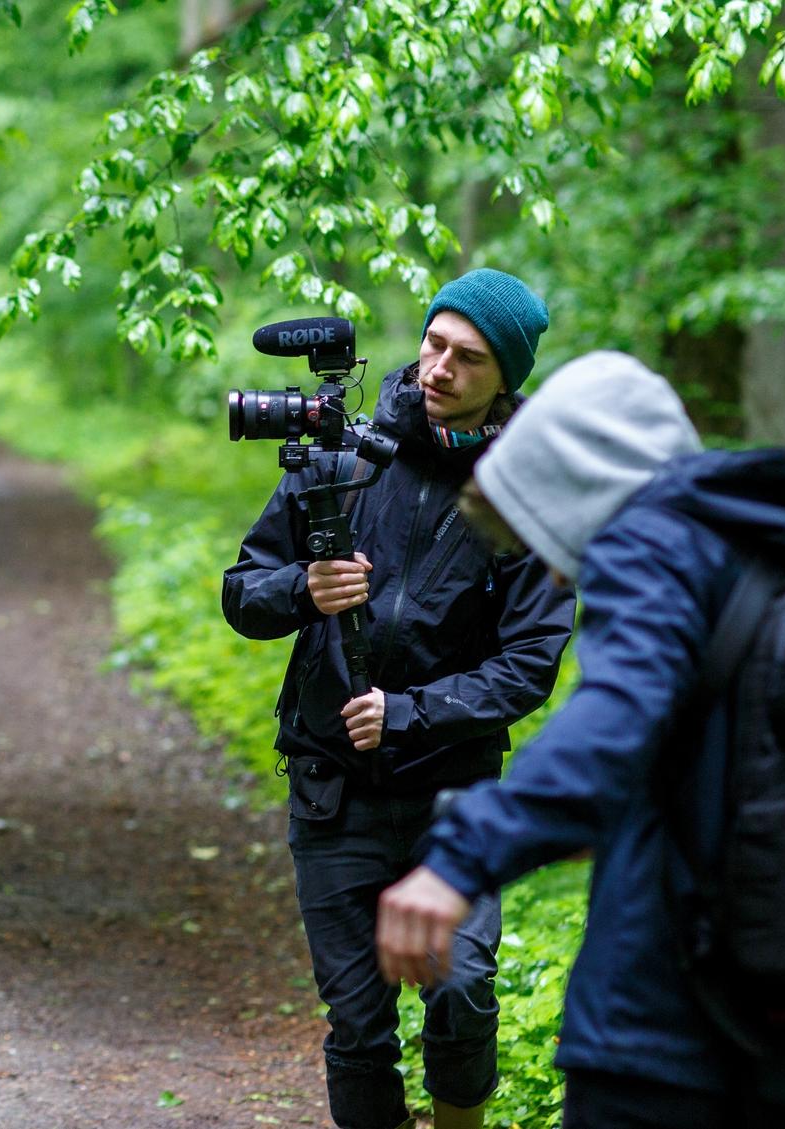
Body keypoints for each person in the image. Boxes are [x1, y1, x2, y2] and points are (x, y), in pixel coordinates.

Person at [376, 351, 785, 1127]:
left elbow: (618, 713)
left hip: (666, 1028)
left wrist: (461, 859)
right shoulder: (774, 557)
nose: (552, 570)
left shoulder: (654, 539)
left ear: (579, 478)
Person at [223, 269, 578, 1129]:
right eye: (434, 344)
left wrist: (410, 711)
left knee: (463, 990)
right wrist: (307, 589)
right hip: (332, 784)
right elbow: (244, 592)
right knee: (358, 1027)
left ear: (506, 377)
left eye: (469, 357)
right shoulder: (343, 456)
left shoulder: (528, 498)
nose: (439, 369)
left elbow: (529, 662)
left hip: (452, 792)